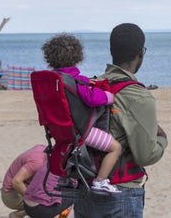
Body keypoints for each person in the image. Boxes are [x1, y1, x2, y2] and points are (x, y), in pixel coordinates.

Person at [73, 23, 168, 217]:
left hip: (83, 188)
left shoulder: (91, 86)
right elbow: (146, 155)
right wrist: (162, 139)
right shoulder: (139, 96)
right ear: (141, 53)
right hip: (119, 193)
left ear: (111, 51)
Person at [42, 33, 121, 194]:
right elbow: (91, 99)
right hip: (82, 132)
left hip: (60, 132)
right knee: (115, 148)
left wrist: (83, 80)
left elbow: (72, 84)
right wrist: (109, 97)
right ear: (77, 56)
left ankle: (64, 179)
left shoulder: (55, 79)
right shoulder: (72, 80)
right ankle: (100, 181)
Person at [1, 144, 47, 218]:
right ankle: (17, 215)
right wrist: (32, 200)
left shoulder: (42, 147)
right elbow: (16, 182)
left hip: (10, 189)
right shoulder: (37, 162)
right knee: (46, 203)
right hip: (12, 195)